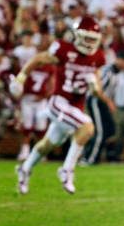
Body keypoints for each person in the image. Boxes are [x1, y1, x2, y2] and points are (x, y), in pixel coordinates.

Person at [12, 16, 113, 195]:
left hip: (75, 107)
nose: (90, 42)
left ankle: (25, 168)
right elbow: (39, 59)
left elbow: (96, 90)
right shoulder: (63, 49)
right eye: (87, 37)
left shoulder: (98, 56)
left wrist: (94, 87)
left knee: (47, 145)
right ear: (77, 35)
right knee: (88, 127)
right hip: (59, 102)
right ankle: (67, 170)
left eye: (93, 39)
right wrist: (21, 77)